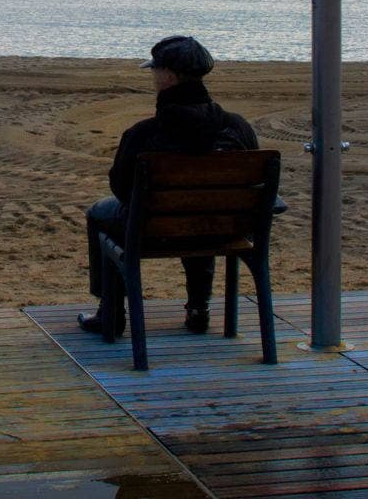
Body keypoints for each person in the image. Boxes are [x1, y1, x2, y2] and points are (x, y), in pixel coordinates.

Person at [79, 34, 259, 339]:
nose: (152, 76)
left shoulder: (143, 134)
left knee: (99, 213)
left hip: (154, 229)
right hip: (225, 228)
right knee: (202, 209)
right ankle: (199, 308)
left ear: (169, 77)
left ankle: (110, 312)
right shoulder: (238, 127)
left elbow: (122, 190)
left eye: (155, 70)